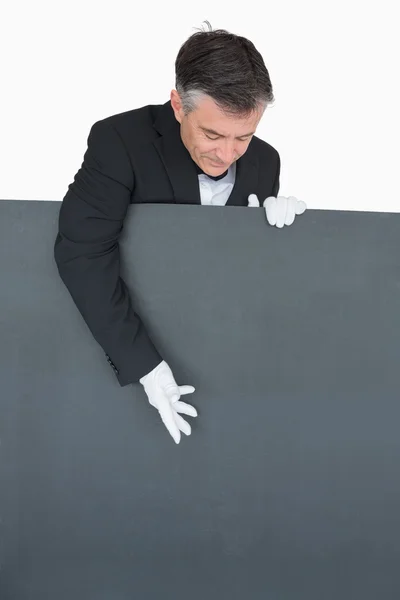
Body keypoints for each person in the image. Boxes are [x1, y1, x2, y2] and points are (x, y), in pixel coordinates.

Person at [53, 22, 306, 445]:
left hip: (226, 379)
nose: (227, 155)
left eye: (244, 136)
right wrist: (146, 368)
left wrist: (277, 235)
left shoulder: (266, 163)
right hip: (114, 369)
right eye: (212, 134)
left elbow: (239, 282)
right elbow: (81, 253)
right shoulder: (118, 141)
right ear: (177, 104)